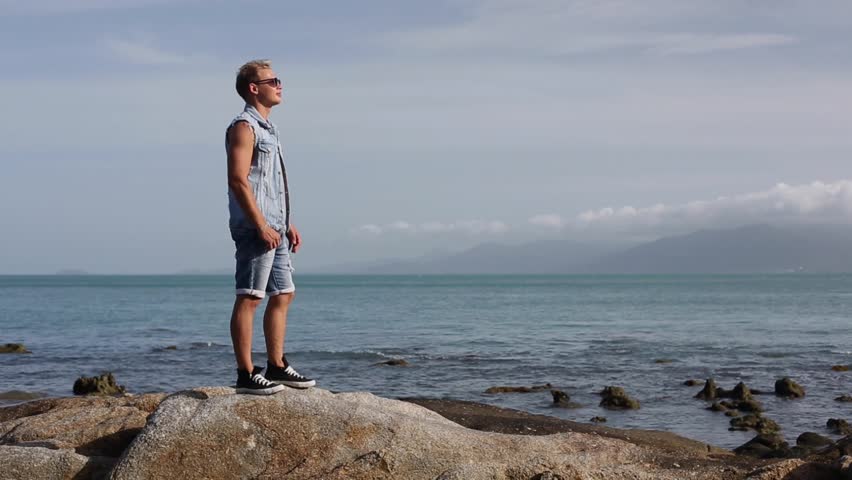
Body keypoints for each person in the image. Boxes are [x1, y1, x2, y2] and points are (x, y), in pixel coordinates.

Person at [225, 59, 315, 394]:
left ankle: (276, 366)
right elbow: (238, 180)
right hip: (255, 229)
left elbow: (269, 184)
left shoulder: (269, 130)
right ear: (254, 88)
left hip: (274, 227)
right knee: (250, 297)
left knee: (284, 293)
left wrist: (285, 222)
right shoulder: (243, 127)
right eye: (272, 80)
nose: (280, 85)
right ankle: (246, 373)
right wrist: (260, 224)